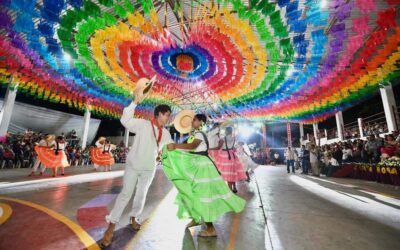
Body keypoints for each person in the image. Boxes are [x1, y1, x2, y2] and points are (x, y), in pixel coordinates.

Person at [101, 89, 173, 247]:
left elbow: (171, 148)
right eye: (167, 114)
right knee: (126, 194)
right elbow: (125, 120)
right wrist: (135, 103)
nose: (169, 118)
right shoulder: (143, 124)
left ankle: (134, 217)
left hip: (149, 168)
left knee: (142, 194)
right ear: (159, 114)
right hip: (133, 165)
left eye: (169, 115)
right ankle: (111, 226)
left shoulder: (166, 133)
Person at [164, 114, 246, 237]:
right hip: (199, 164)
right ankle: (196, 218)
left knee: (202, 195)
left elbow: (192, 146)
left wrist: (176, 146)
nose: (192, 122)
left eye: (195, 120)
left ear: (201, 121)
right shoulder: (199, 133)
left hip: (202, 167)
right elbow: (192, 149)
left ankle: (210, 228)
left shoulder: (199, 133)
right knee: (192, 193)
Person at [213, 126, 247, 193]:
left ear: (226, 131)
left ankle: (230, 191)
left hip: (225, 156)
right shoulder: (234, 138)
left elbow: (218, 147)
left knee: (228, 174)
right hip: (232, 156)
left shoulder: (223, 139)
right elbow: (233, 147)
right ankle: (234, 187)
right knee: (232, 172)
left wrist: (210, 148)